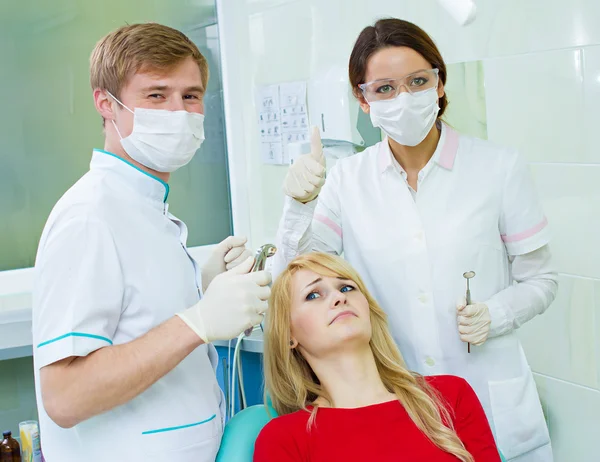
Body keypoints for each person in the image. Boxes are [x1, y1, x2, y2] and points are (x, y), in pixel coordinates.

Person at [274, 18, 557, 462]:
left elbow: (542, 280)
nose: (403, 99)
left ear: (439, 85)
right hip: (401, 403)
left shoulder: (498, 167)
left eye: (418, 81)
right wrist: (297, 206)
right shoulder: (347, 181)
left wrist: (496, 314)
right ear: (362, 100)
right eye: (384, 88)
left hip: (489, 391)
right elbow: (293, 285)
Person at [32, 23, 271, 462]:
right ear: (106, 103)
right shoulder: (90, 216)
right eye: (156, 95)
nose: (179, 113)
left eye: (191, 96)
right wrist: (197, 321)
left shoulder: (144, 208)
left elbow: (136, 325)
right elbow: (64, 397)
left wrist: (200, 288)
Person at [254, 252, 500, 461]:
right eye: (313, 295)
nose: (340, 297)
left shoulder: (450, 396)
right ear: (288, 335)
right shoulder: (283, 438)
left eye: (347, 287)